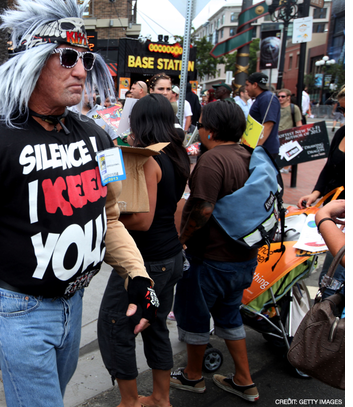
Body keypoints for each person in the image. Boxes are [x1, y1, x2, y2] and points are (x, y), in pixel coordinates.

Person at [0, 0, 158, 406]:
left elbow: (108, 218)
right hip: (19, 311)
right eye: (67, 58)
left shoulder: (99, 138)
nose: (82, 70)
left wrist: (138, 276)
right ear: (30, 63)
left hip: (74, 304)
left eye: (85, 58)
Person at [97, 94, 190, 407]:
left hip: (147, 262)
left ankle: (130, 401)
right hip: (171, 255)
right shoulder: (178, 152)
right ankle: (161, 398)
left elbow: (144, 220)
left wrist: (111, 218)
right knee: (156, 324)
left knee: (115, 324)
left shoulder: (150, 159)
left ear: (140, 123)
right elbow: (177, 206)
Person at [171, 101, 260, 402]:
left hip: (211, 258)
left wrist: (182, 240)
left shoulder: (212, 161)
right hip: (244, 258)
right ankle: (244, 381)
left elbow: (202, 208)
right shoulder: (251, 157)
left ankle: (193, 376)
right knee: (229, 315)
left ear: (210, 129)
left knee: (195, 317)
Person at [299, 87, 345, 297]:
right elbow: (329, 167)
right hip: (332, 209)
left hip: (342, 216)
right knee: (328, 277)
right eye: (343, 109)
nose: (344, 114)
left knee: (335, 279)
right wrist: (316, 193)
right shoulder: (342, 132)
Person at [244, 72, 280, 162]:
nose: (246, 88)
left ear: (255, 85)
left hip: (264, 150)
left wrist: (257, 148)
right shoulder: (261, 98)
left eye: (247, 85)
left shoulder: (267, 98)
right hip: (259, 149)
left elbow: (268, 124)